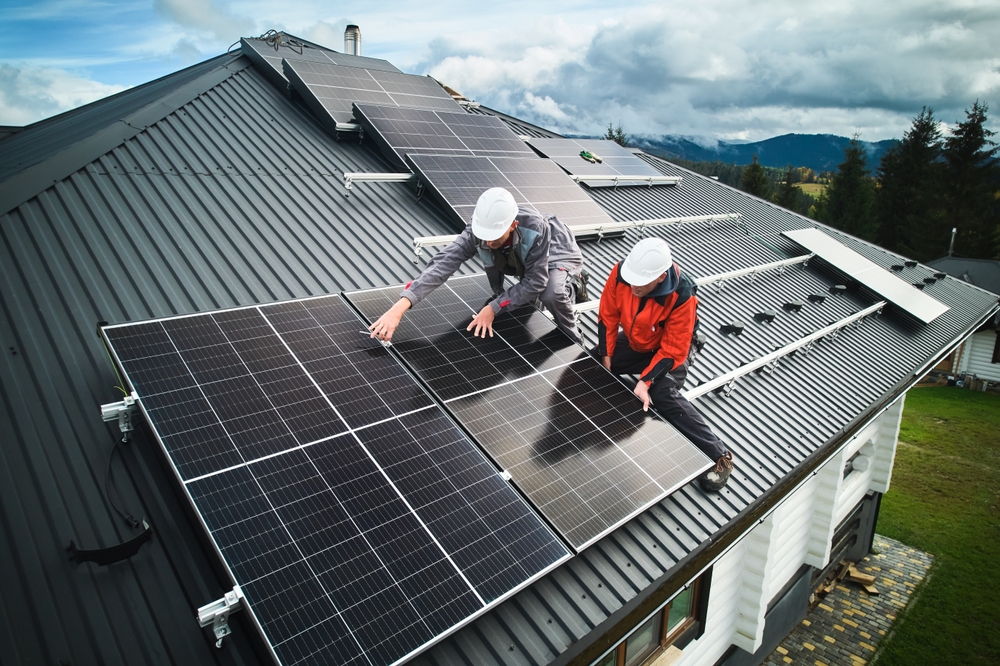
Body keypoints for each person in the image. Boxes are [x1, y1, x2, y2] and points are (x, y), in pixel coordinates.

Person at [596, 237, 735, 492]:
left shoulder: (682, 294)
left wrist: (645, 381)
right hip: (638, 342)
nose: (633, 285)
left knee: (662, 393)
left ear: (660, 277)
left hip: (673, 350)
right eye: (632, 279)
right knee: (597, 358)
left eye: (641, 282)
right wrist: (606, 360)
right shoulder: (622, 273)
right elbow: (608, 316)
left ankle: (720, 456)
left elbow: (673, 349)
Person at [369, 187, 585, 342]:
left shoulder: (536, 230)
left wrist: (492, 308)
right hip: (522, 252)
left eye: (494, 237)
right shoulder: (480, 229)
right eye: (484, 237)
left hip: (558, 250)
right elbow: (444, 263)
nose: (488, 243)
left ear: (513, 225)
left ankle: (574, 330)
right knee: (525, 300)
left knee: (550, 293)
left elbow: (535, 281)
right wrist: (399, 308)